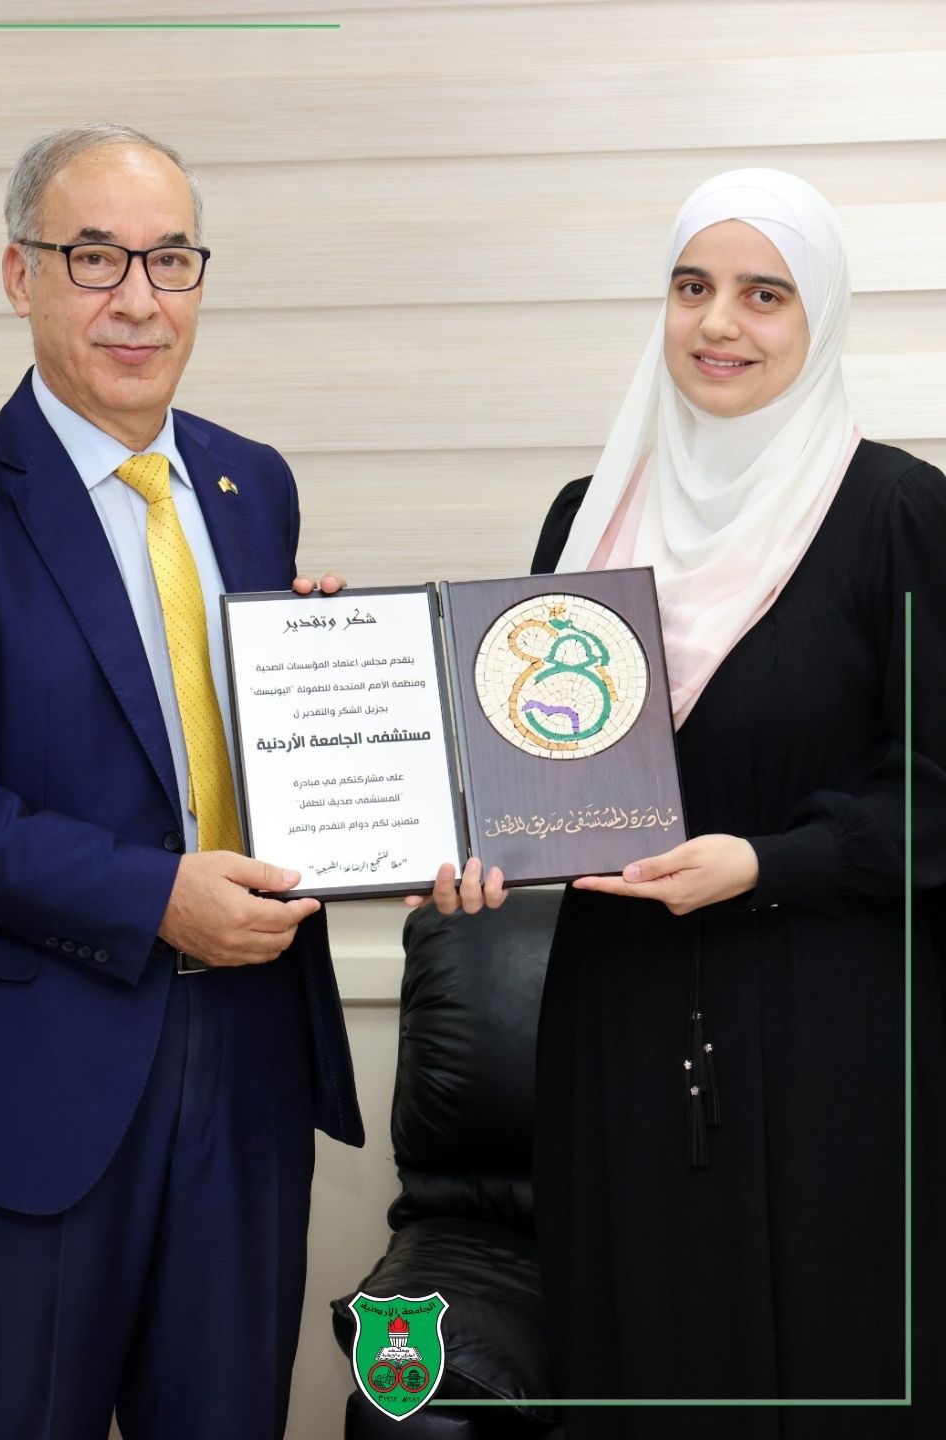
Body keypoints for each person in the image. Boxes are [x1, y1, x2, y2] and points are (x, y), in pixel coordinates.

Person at [421, 170, 946, 1436]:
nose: (719, 323)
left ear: (820, 317)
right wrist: (468, 838)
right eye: (692, 286)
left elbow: (938, 790)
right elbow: (532, 755)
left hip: (830, 1031)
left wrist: (765, 862)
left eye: (765, 295)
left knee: (832, 1364)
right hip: (622, 1016)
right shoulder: (590, 514)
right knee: (644, 1355)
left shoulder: (898, 513)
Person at [0, 124, 362, 1440]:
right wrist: (155, 898)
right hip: (30, 1085)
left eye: (169, 258)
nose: (138, 298)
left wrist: (329, 699)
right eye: (95, 257)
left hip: (248, 1062)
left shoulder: (252, 485)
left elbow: (198, 739)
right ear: (20, 275)